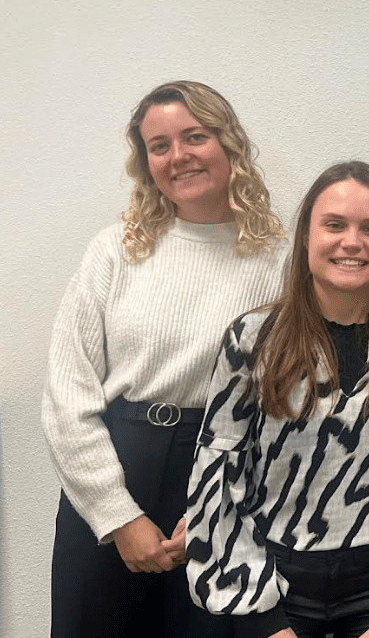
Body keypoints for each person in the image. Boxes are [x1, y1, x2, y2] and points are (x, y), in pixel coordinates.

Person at [42, 80, 287, 638]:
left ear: (229, 144)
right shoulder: (116, 248)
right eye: (159, 145)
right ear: (145, 160)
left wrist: (213, 508)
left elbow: (282, 406)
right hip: (112, 469)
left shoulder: (277, 260)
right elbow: (67, 393)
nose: (178, 156)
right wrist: (118, 516)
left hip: (219, 479)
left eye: (195, 136)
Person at [185, 161, 369, 638]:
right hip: (272, 587)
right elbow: (216, 475)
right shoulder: (252, 339)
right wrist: (264, 617)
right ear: (305, 236)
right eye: (334, 225)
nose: (352, 242)